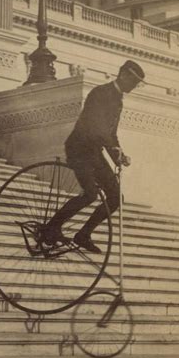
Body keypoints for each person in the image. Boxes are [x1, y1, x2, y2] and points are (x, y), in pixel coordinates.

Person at [45, 60, 145, 253]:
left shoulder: (118, 100)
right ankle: (52, 227)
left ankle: (83, 234)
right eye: (133, 81)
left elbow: (110, 133)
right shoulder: (100, 93)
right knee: (90, 194)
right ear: (123, 74)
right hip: (79, 149)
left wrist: (118, 155)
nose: (134, 87)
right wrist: (112, 149)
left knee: (116, 197)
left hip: (94, 152)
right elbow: (97, 128)